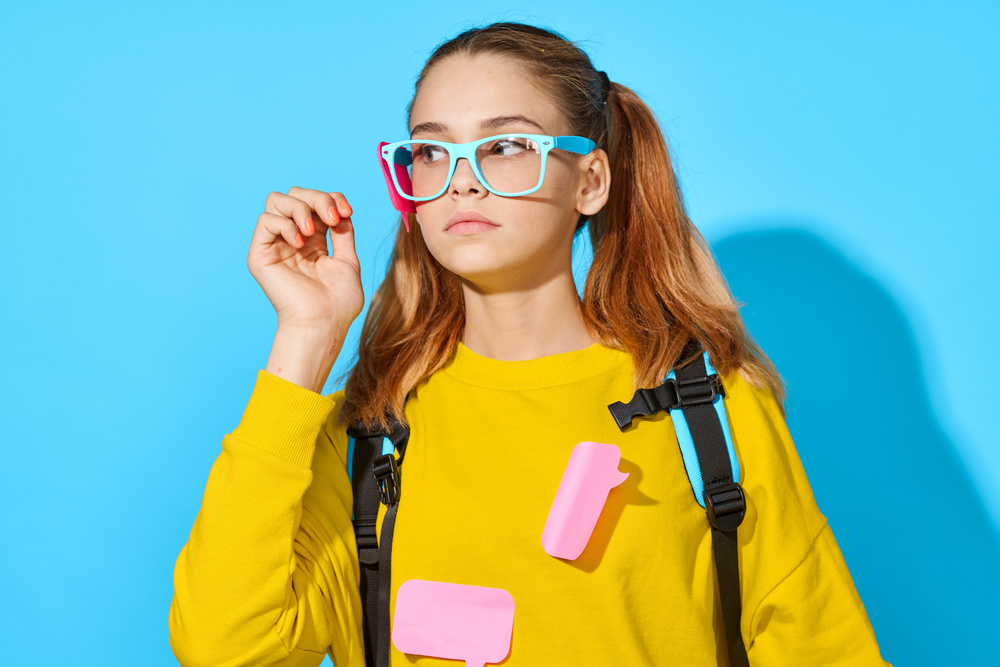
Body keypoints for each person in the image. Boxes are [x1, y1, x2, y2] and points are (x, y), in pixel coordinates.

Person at [168, 21, 889, 667]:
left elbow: (826, 648)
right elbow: (224, 648)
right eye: (431, 151)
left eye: (506, 146)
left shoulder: (706, 412)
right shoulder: (368, 439)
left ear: (591, 180)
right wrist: (307, 338)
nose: (462, 182)